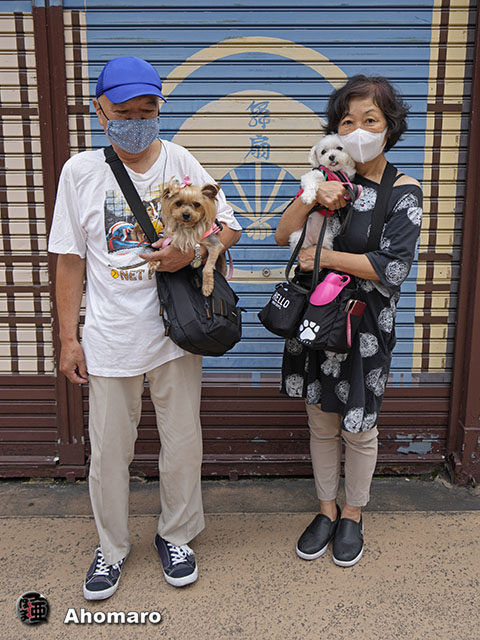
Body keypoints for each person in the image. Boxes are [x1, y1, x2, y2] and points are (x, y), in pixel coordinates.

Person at [48, 56, 241, 598]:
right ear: (100, 111)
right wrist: (68, 339)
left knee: (182, 443)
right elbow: (69, 260)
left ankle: (176, 535)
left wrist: (194, 253)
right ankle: (110, 547)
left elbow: (229, 226)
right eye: (124, 112)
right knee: (110, 453)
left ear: (159, 109)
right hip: (110, 337)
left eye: (147, 111)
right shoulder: (80, 172)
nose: (137, 121)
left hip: (176, 334)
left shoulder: (180, 159)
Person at [275, 75, 422, 567]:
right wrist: (311, 197)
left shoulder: (404, 191)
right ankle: (326, 509)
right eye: (346, 121)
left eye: (370, 120)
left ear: (390, 127)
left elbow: (392, 267)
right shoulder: (326, 178)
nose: (357, 130)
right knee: (320, 421)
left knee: (358, 426)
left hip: (365, 327)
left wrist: (323, 257)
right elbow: (281, 235)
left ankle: (353, 514)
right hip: (316, 320)